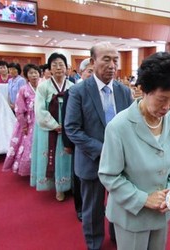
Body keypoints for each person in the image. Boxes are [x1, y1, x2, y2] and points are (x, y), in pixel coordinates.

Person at [98, 51, 170, 250]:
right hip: (132, 214)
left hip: (162, 210)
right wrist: (144, 199)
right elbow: (109, 175)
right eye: (162, 99)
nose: (167, 106)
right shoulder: (119, 127)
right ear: (143, 90)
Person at [65, 42, 133, 250]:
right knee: (93, 208)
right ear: (93, 62)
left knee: (119, 204)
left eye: (115, 60)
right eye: (106, 59)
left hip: (121, 163)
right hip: (91, 160)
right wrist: (104, 150)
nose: (112, 65)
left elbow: (131, 124)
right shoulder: (78, 91)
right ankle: (94, 244)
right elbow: (72, 128)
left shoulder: (124, 91)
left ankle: (116, 237)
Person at [30, 53, 73, 202]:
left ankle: (69, 183)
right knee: (53, 155)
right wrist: (55, 126)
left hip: (67, 127)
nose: (58, 68)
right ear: (49, 69)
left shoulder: (72, 86)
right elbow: (40, 110)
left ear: (67, 68)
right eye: (54, 65)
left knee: (68, 155)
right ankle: (58, 188)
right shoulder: (43, 87)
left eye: (61, 64)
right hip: (49, 129)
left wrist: (69, 126)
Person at [61, 57, 93, 222]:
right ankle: (80, 208)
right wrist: (67, 143)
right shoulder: (73, 91)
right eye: (89, 71)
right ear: (81, 73)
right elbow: (66, 120)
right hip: (78, 143)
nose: (92, 74)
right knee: (78, 178)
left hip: (94, 142)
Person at [2, 64, 40, 176]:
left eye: (36, 72)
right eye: (31, 73)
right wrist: (24, 124)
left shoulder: (43, 87)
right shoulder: (23, 89)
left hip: (41, 120)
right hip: (29, 121)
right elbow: (19, 109)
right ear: (26, 76)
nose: (34, 75)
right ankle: (27, 169)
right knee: (27, 144)